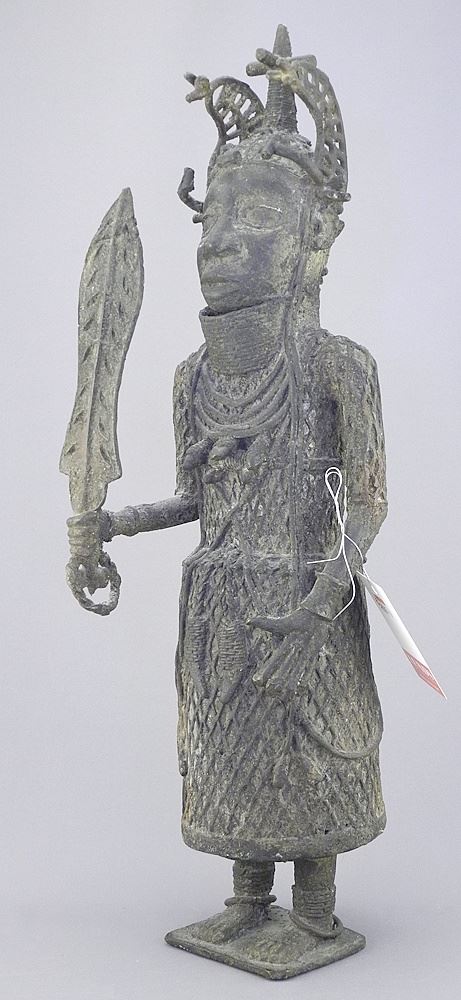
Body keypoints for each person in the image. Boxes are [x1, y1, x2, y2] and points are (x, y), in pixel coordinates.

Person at [67, 26, 388, 979]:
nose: (220, 246)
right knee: (231, 756)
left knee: (313, 748)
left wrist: (319, 603)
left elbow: (368, 502)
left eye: (253, 225)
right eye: (210, 226)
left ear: (312, 239)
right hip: (216, 607)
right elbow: (192, 500)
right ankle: (248, 903)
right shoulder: (192, 376)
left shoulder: (337, 366)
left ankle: (315, 911)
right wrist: (109, 525)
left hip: (305, 601)